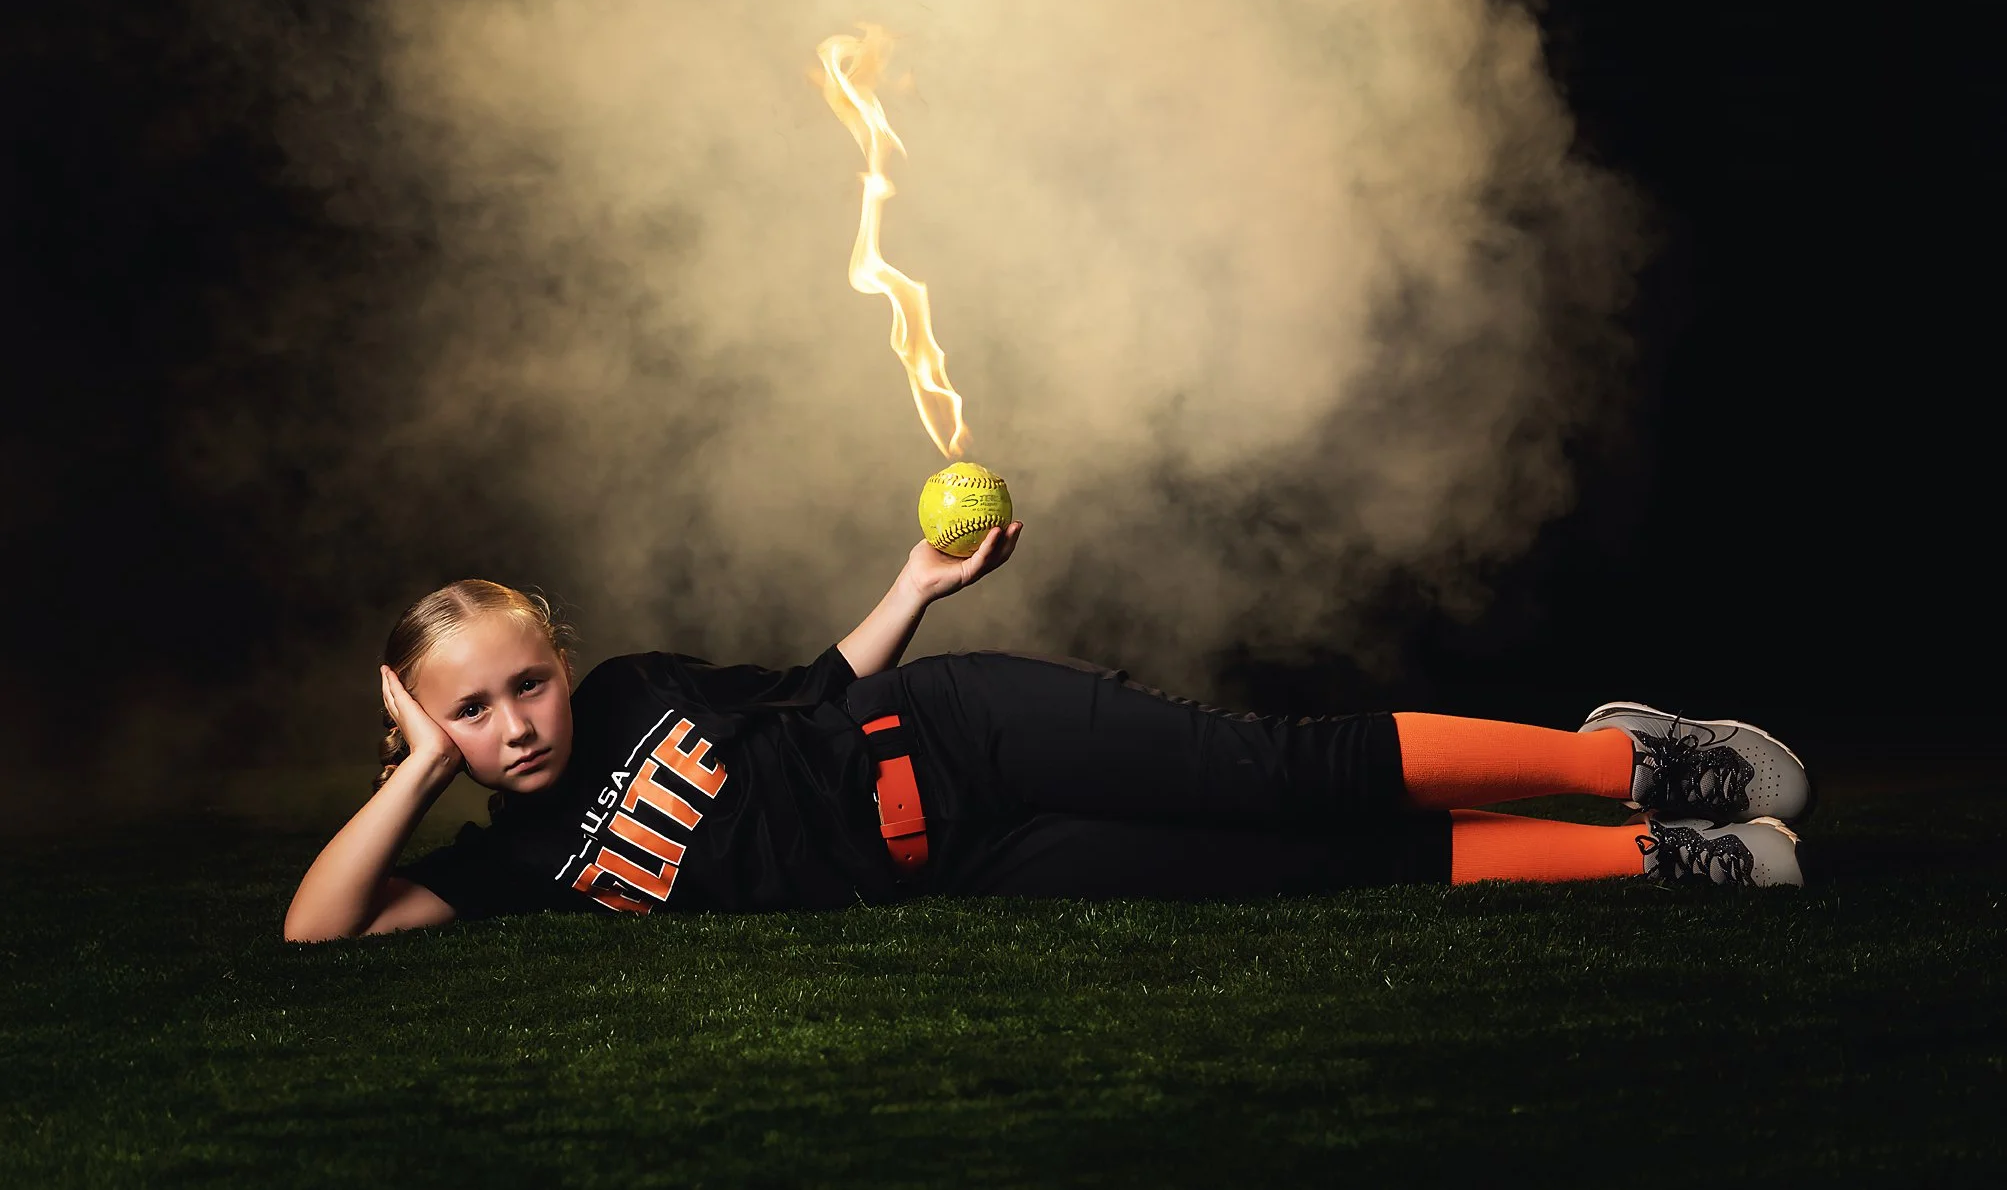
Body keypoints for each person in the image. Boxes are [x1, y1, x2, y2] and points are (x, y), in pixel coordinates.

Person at [282, 522, 1812, 942]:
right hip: (979, 863)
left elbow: (819, 687)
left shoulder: (630, 690)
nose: (516, 721)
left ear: (561, 656)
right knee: (1315, 871)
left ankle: (1629, 753)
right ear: (429, 725)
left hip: (963, 740)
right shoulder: (512, 867)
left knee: (1276, 773)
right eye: (469, 709)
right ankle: (1650, 855)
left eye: (522, 682)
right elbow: (314, 929)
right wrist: (417, 770)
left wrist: (916, 586)